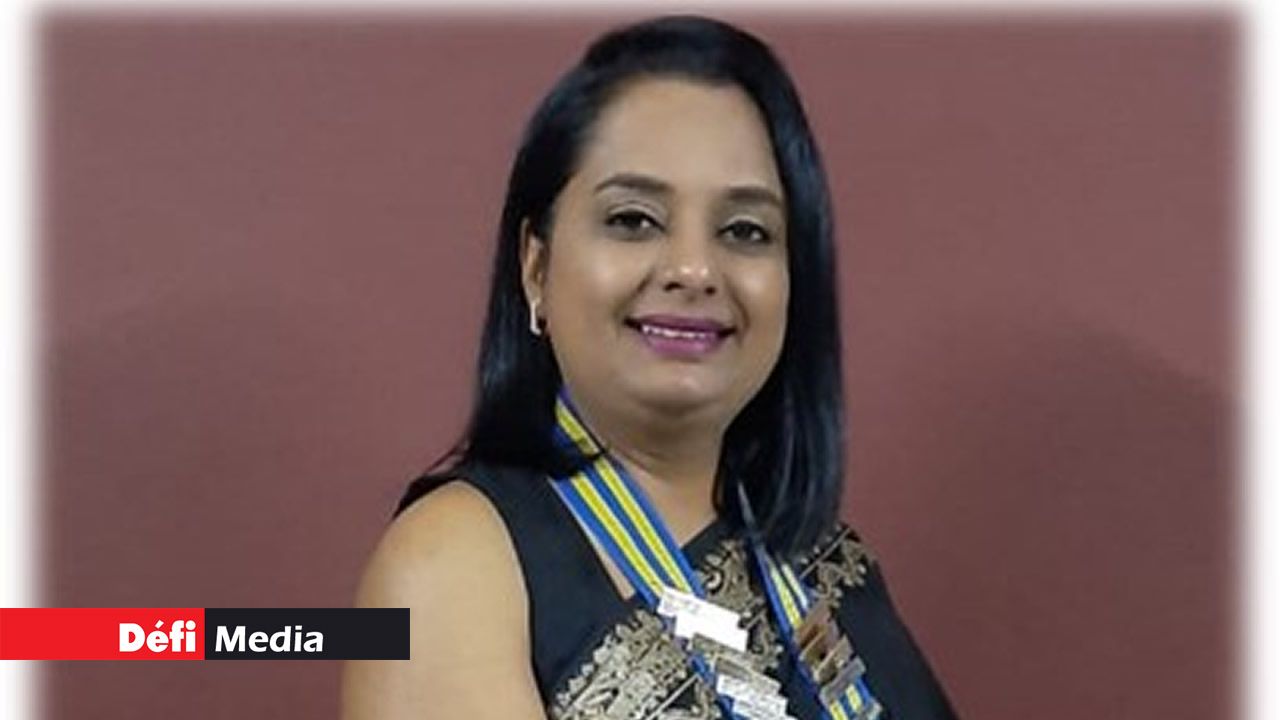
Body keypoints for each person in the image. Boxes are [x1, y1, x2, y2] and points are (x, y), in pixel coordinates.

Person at [342, 15, 958, 720]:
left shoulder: (812, 554)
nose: (694, 269)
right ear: (536, 267)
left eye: (745, 230)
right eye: (633, 220)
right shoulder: (451, 565)